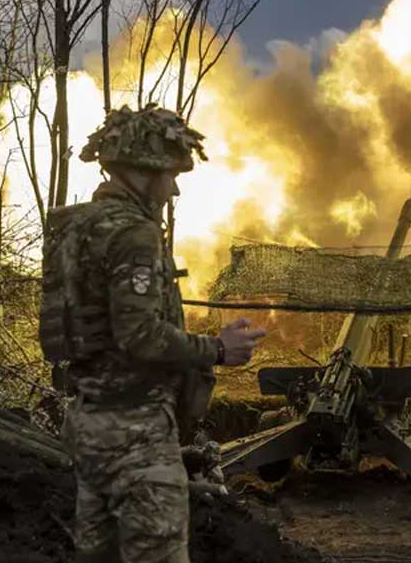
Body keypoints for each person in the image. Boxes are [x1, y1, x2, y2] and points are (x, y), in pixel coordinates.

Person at [40, 104, 265, 563]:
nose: (173, 188)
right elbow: (139, 334)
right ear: (142, 172)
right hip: (136, 431)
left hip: (89, 422)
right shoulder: (134, 234)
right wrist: (218, 349)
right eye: (169, 175)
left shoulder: (75, 228)